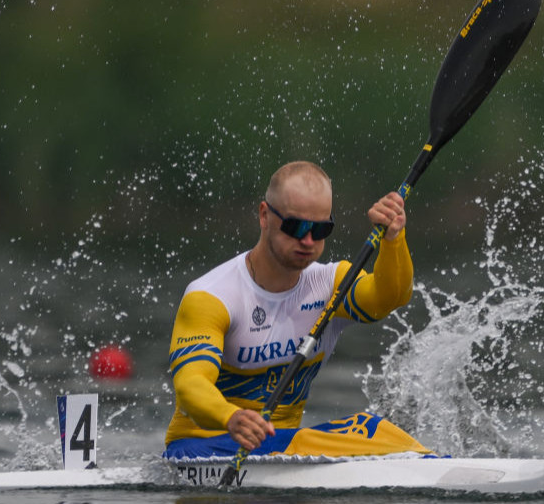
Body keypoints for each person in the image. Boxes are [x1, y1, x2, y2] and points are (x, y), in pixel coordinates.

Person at [164, 161, 430, 459]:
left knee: (374, 428)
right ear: (264, 215)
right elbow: (190, 385)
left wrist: (393, 239)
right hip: (202, 447)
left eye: (320, 229)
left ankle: (433, 463)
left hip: (284, 448)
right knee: (309, 440)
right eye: (295, 227)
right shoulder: (212, 296)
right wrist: (230, 417)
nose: (308, 240)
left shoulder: (330, 285)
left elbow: (389, 297)